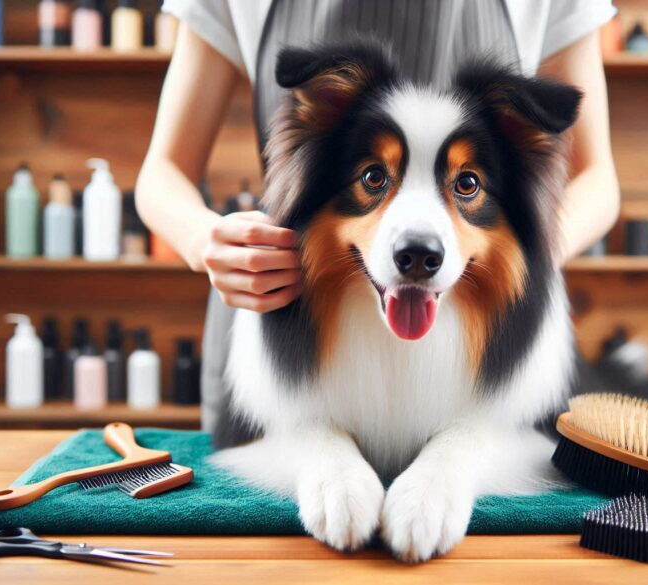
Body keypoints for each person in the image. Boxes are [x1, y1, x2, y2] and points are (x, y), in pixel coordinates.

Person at [136, 0, 620, 429]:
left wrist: (531, 254)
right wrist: (207, 241)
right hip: (289, 322)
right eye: (374, 178)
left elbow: (596, 178)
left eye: (466, 183)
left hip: (476, 367)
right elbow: (162, 172)